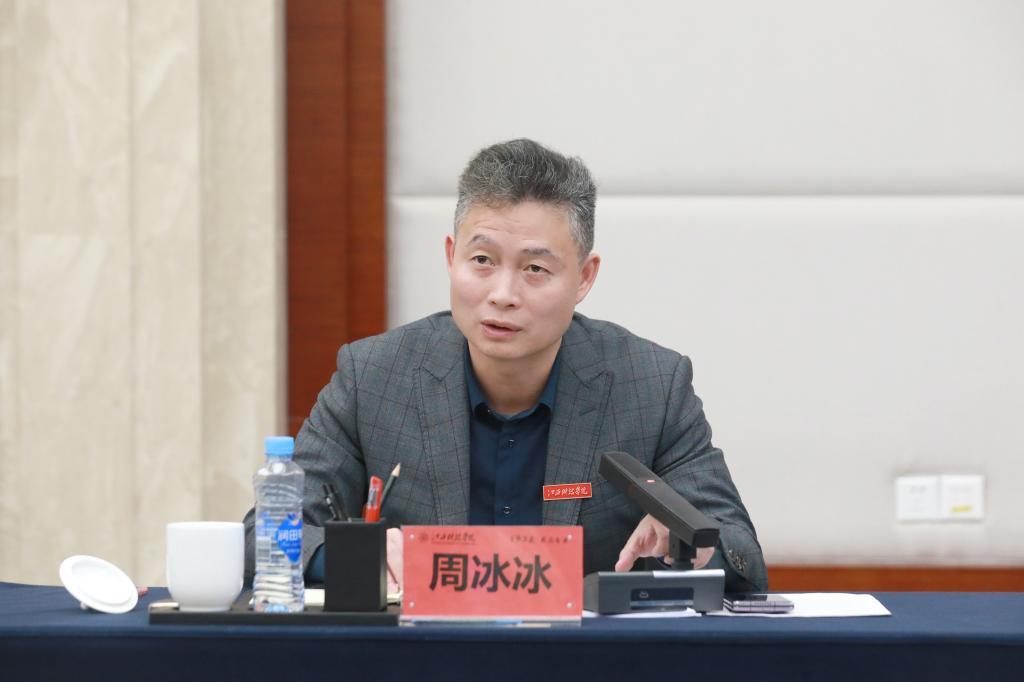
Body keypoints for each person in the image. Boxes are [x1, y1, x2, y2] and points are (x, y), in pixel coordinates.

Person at [243, 139, 767, 593]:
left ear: (584, 278)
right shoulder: (373, 378)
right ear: (451, 256)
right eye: (482, 261)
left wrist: (691, 544)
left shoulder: (651, 386)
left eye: (535, 268)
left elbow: (742, 555)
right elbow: (263, 537)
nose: (502, 294)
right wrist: (357, 558)